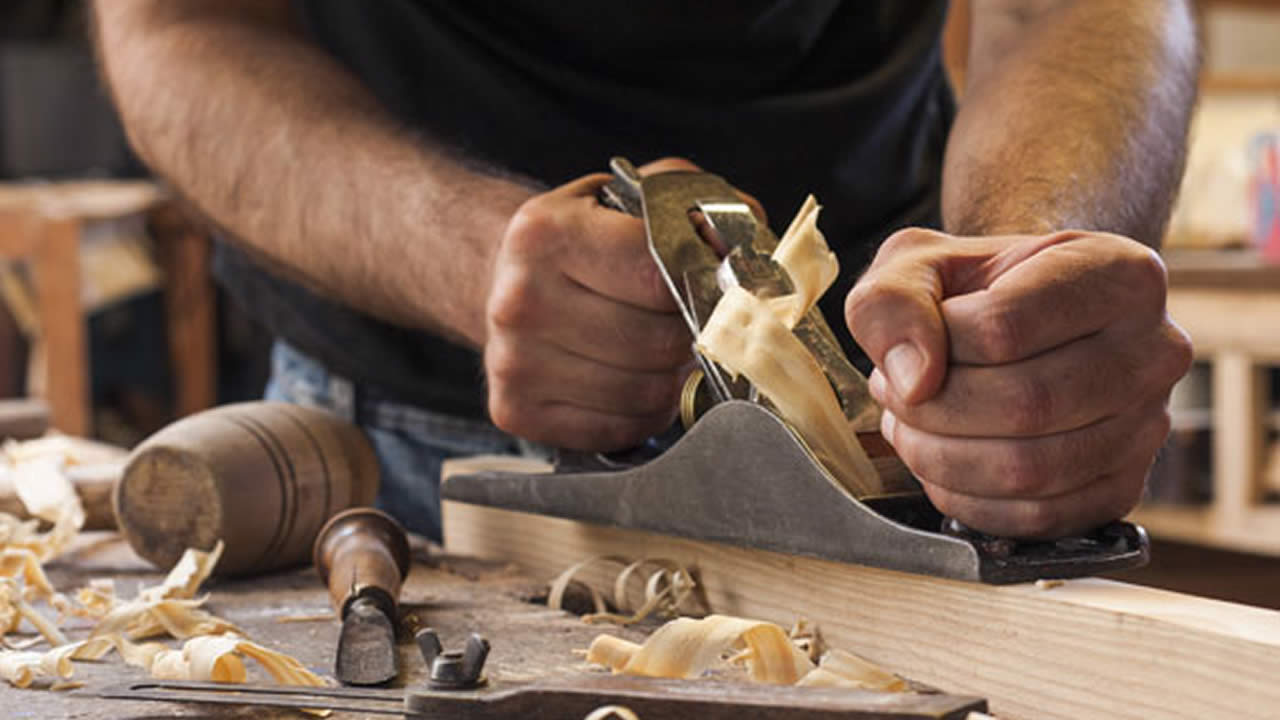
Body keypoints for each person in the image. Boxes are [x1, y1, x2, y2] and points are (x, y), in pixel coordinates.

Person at [92, 0, 1197, 541]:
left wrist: (1016, 276)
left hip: (912, 433)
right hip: (396, 465)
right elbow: (177, 24)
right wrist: (467, 256)